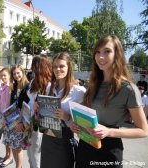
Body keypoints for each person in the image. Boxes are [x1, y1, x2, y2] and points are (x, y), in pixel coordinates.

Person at [70, 35, 148, 168]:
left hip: (109, 152)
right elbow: (86, 113)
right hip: (85, 147)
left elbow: (143, 130)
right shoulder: (93, 84)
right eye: (98, 52)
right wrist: (75, 124)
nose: (101, 57)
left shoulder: (128, 89)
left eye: (107, 51)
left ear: (117, 54)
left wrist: (109, 132)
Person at [35, 52, 86, 168]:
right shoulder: (49, 87)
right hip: (48, 136)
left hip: (65, 138)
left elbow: (85, 122)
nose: (58, 69)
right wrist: (38, 108)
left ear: (69, 67)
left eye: (62, 66)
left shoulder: (79, 91)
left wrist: (66, 117)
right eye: (55, 66)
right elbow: (41, 114)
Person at [0, 65, 29, 168]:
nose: (16, 75)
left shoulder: (27, 86)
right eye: (14, 74)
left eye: (18, 73)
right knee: (12, 145)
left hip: (21, 121)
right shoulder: (14, 86)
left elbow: (26, 107)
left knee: (18, 147)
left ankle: (18, 166)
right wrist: (5, 118)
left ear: (23, 72)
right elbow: (11, 105)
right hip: (11, 120)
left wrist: (21, 122)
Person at [26, 55, 52, 168]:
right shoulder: (33, 82)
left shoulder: (49, 85)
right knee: (30, 152)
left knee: (37, 154)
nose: (32, 68)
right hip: (30, 120)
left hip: (40, 124)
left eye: (35, 65)